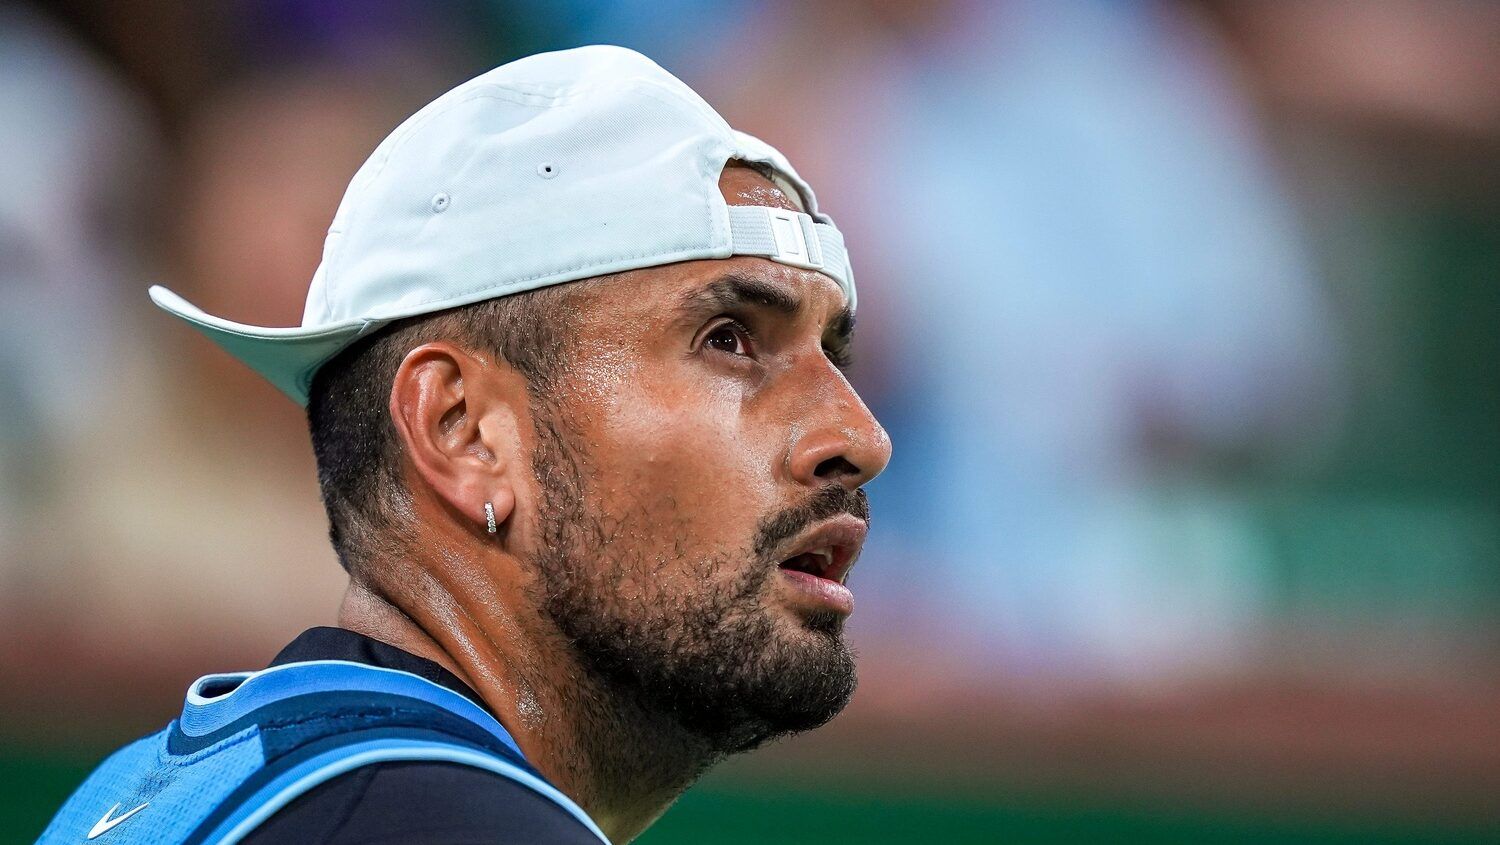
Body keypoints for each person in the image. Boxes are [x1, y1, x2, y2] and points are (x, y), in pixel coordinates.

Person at [38, 45, 889, 844]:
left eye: (834, 354)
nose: (860, 436)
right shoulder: (445, 823)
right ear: (462, 431)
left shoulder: (150, 788)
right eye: (729, 339)